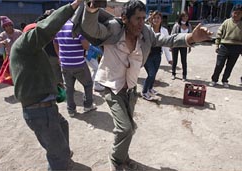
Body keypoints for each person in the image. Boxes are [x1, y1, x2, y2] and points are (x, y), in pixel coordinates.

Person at [80, 0, 212, 170]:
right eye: (137, 19)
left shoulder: (146, 33)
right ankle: (115, 158)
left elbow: (166, 39)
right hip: (112, 86)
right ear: (125, 19)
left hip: (131, 87)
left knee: (129, 128)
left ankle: (124, 157)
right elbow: (92, 29)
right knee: (125, 127)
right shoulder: (113, 28)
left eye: (143, 18)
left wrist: (191, 37)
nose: (142, 23)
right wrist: (91, 9)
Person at [9, 1, 82, 170]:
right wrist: (74, 5)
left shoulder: (30, 52)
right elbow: (45, 29)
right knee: (58, 154)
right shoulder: (26, 42)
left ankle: (60, 159)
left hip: (43, 109)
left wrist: (54, 84)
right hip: (40, 111)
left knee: (62, 127)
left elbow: (33, 73)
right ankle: (61, 162)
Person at [53, 19, 96, 117]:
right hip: (78, 64)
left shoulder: (59, 26)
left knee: (69, 88)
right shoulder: (77, 26)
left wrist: (59, 56)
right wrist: (87, 39)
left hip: (65, 64)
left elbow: (55, 42)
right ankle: (88, 105)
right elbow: (86, 47)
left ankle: (71, 110)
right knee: (88, 84)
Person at [141, 10, 172, 100]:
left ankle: (150, 89)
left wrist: (169, 58)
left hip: (158, 54)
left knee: (154, 74)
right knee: (151, 74)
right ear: (151, 19)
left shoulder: (164, 31)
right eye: (154, 18)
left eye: (158, 18)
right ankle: (144, 92)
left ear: (161, 19)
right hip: (148, 55)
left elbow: (166, 45)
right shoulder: (147, 29)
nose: (156, 20)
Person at [209, 4, 242, 88]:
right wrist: (217, 45)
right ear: (232, 13)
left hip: (237, 47)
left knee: (230, 66)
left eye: (239, 13)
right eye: (235, 13)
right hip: (224, 46)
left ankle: (225, 80)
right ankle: (214, 80)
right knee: (219, 64)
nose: (236, 15)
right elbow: (219, 33)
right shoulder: (226, 22)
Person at [170, 11, 192, 81]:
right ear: (181, 17)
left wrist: (190, 46)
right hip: (176, 45)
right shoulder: (176, 25)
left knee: (184, 60)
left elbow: (191, 36)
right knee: (174, 60)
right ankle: (173, 73)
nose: (185, 18)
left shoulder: (189, 25)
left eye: (186, 16)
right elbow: (172, 35)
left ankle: (184, 75)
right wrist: (171, 45)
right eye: (184, 16)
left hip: (184, 45)